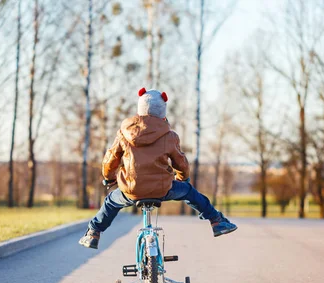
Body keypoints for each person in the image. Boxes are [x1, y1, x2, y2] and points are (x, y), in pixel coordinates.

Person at [79, 88, 237, 249]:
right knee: (190, 193)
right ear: (163, 112)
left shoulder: (124, 133)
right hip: (163, 189)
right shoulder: (169, 135)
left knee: (110, 202)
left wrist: (109, 177)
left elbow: (110, 160)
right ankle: (217, 221)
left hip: (131, 190)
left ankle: (93, 233)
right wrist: (183, 178)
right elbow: (181, 163)